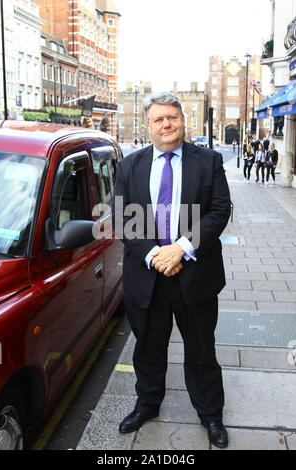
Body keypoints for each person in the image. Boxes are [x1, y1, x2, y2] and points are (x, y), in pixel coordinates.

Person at [113, 92, 231, 448]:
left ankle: (210, 413)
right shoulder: (129, 166)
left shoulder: (208, 161)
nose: (167, 124)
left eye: (173, 117)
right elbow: (122, 217)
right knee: (147, 349)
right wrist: (154, 254)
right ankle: (148, 403)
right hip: (147, 278)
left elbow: (219, 210)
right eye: (159, 119)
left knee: (201, 349)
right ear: (148, 125)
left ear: (183, 121)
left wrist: (180, 248)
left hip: (194, 276)